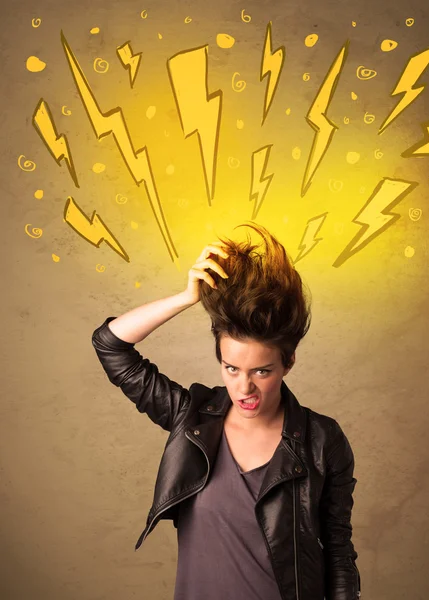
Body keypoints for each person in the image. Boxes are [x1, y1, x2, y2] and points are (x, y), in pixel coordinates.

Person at [91, 222, 361, 600]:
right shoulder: (191, 418)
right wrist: (187, 298)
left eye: (261, 371)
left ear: (288, 363)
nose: (244, 388)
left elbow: (337, 551)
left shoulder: (321, 439)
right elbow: (111, 346)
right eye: (231, 368)